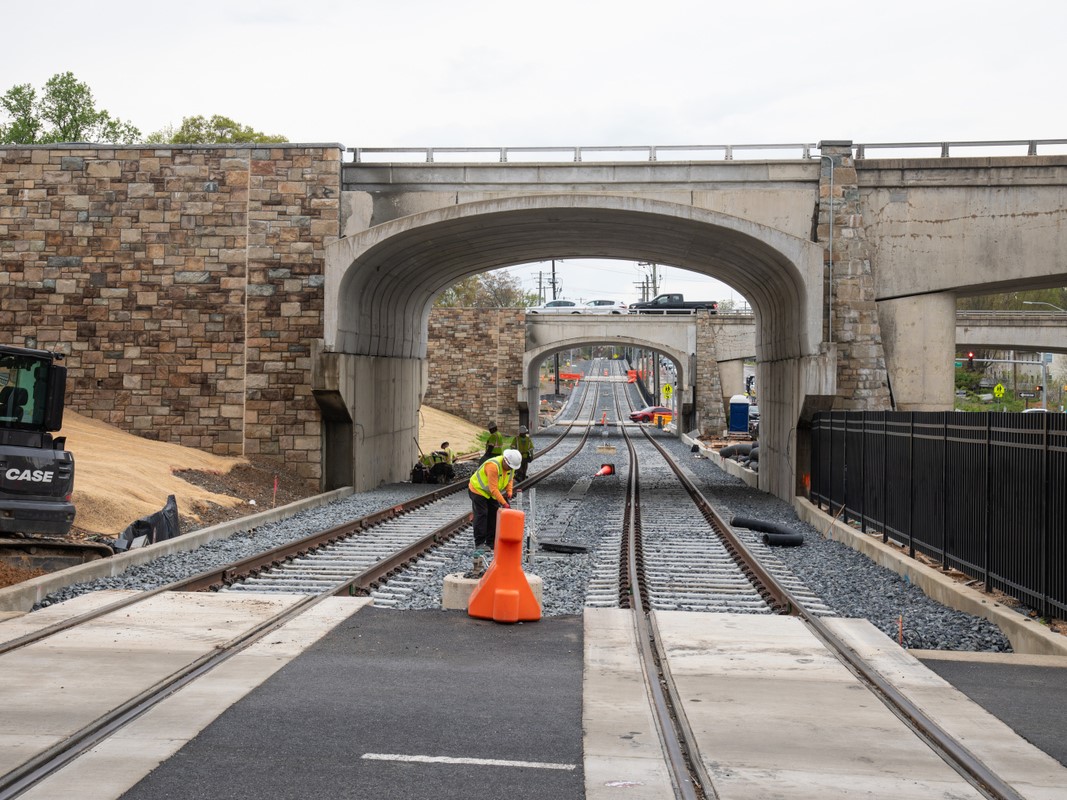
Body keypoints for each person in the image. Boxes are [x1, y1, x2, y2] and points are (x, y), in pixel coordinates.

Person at [468, 448, 521, 560]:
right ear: (505, 461)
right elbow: (493, 489)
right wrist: (504, 503)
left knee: (494, 514)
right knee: (482, 514)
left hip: (489, 493)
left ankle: (491, 543)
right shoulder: (493, 466)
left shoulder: (510, 467)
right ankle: (479, 543)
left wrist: (509, 491)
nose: (511, 469)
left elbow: (510, 478)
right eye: (510, 467)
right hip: (478, 490)